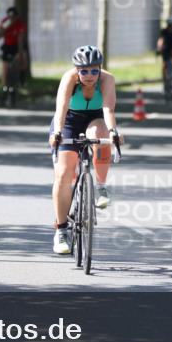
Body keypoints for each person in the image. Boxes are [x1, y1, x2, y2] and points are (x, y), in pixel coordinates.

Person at [48, 45, 122, 255]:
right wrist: (58, 132)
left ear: (100, 69)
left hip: (95, 118)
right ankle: (62, 231)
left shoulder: (107, 80)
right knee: (64, 175)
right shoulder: (69, 79)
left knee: (101, 137)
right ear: (77, 70)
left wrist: (113, 131)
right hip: (68, 120)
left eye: (94, 70)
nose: (89, 76)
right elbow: (61, 108)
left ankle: (100, 186)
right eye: (84, 71)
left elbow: (108, 108)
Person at [0, 6, 27, 98]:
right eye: (10, 16)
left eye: (14, 16)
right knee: (5, 68)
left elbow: (20, 40)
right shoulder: (5, 22)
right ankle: (4, 85)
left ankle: (21, 77)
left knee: (22, 59)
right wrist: (6, 27)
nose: (12, 18)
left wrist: (20, 54)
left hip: (16, 46)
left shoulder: (19, 24)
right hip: (7, 47)